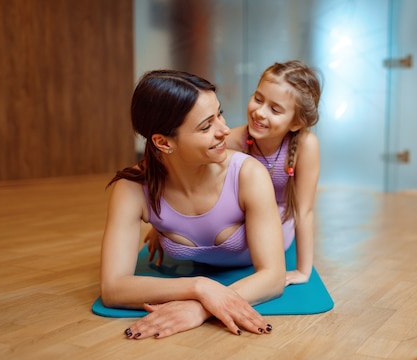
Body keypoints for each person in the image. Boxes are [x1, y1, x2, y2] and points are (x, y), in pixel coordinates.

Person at [100, 69, 286, 340]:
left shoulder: (249, 174)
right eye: (206, 126)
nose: (225, 130)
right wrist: (200, 288)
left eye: (219, 114)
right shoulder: (132, 189)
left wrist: (199, 310)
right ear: (163, 142)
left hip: (280, 227)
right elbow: (113, 288)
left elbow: (273, 276)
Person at [146, 60, 322, 287]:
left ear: (296, 122)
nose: (259, 112)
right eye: (258, 99)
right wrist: (159, 224)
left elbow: (304, 210)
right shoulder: (235, 138)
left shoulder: (306, 145)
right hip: (243, 216)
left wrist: (303, 270)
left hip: (276, 223)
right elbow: (179, 173)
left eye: (275, 109)